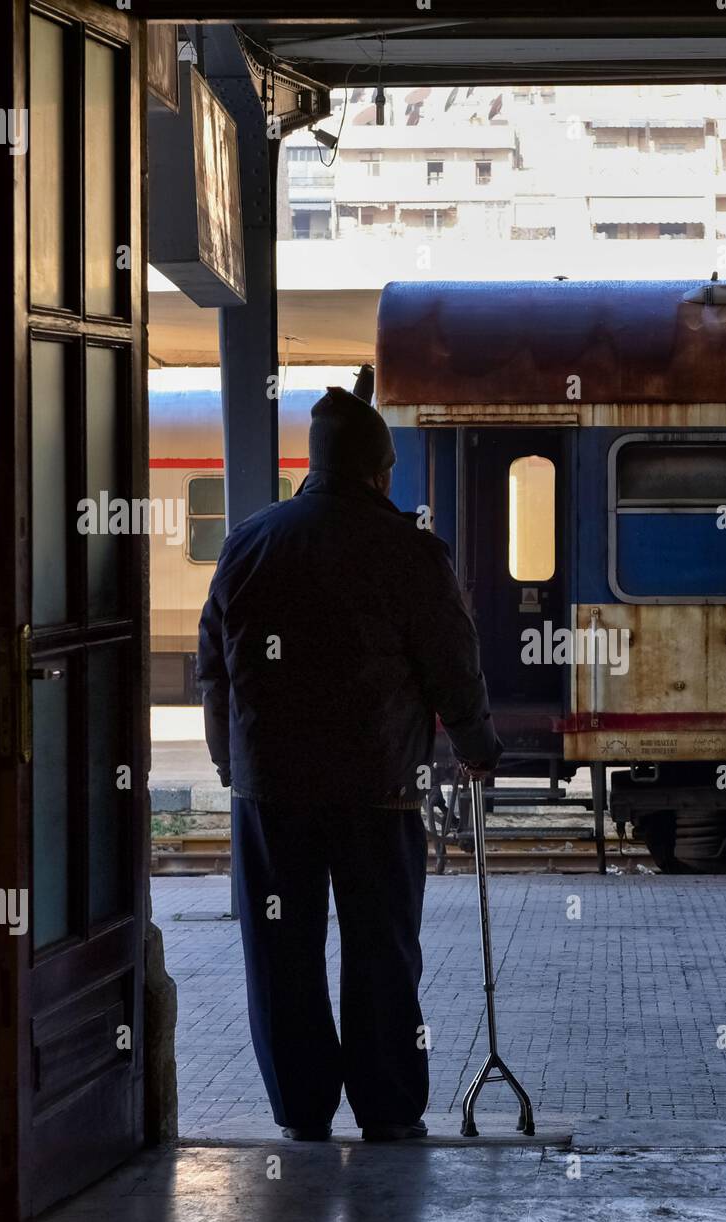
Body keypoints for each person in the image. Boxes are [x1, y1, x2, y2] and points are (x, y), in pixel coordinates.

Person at [197, 386, 503, 1142]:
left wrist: (230, 761)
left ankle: (303, 1112)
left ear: (314, 461)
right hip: (380, 791)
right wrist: (477, 746)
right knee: (382, 950)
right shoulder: (409, 551)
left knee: (280, 951)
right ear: (377, 469)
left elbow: (214, 667)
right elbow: (451, 665)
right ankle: (388, 1108)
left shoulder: (249, 543)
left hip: (272, 790)